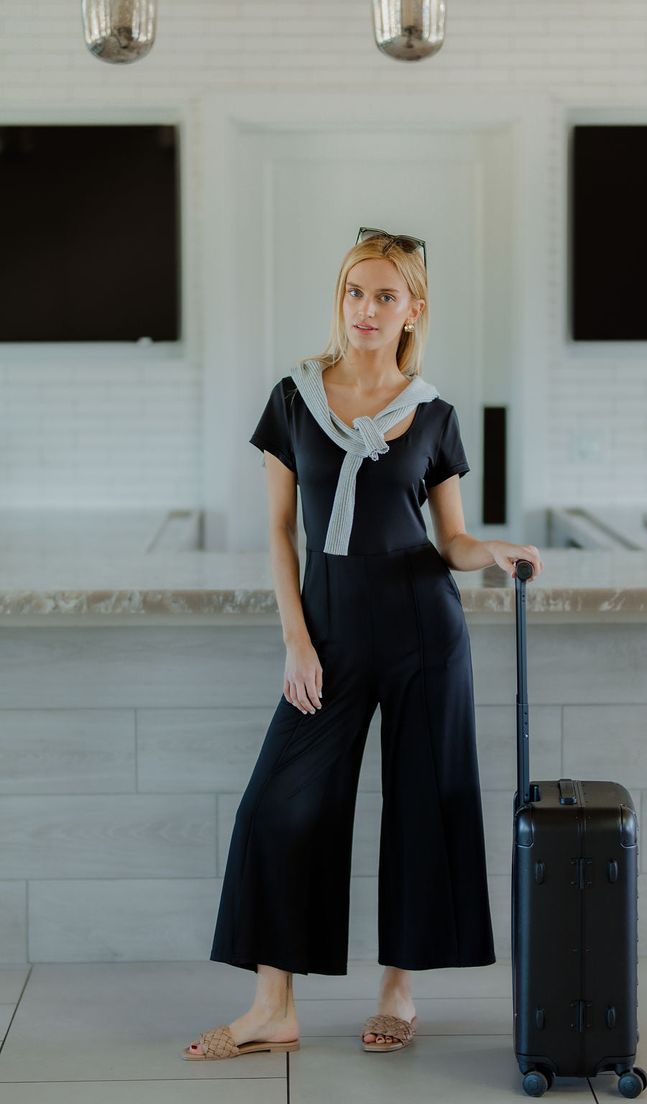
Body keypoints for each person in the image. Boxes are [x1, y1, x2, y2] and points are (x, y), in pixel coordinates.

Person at [182, 227, 544, 1061]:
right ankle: (273, 1006)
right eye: (355, 292)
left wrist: (489, 550)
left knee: (424, 808)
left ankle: (398, 989)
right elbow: (280, 534)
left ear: (415, 310)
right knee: (277, 806)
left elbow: (449, 539)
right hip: (330, 632)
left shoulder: (436, 412)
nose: (367, 309)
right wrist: (296, 641)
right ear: (339, 301)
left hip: (424, 628)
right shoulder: (293, 398)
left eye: (386, 296)